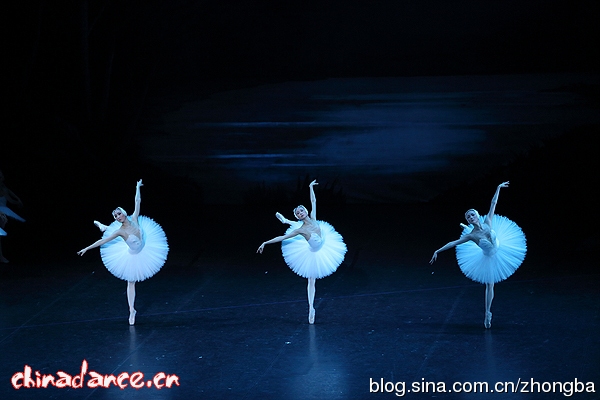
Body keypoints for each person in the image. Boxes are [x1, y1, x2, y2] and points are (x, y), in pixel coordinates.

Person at [429, 181, 526, 328]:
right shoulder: (471, 235)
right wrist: (437, 250)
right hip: (489, 257)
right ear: (468, 221)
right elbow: (453, 243)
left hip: (501, 249)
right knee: (490, 285)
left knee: (491, 284)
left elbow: (493, 203)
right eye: (468, 217)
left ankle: (487, 312)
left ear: (477, 215)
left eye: (472, 215)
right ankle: (487, 313)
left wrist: (498, 188)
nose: (470, 217)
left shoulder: (488, 221)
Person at [77, 179, 169, 325]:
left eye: (119, 214)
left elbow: (137, 201)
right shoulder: (120, 231)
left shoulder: (134, 218)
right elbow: (103, 241)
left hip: (145, 246)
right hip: (133, 254)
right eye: (115, 216)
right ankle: (132, 310)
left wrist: (137, 186)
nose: (118, 217)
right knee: (130, 282)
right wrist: (87, 248)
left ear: (124, 213)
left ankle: (104, 227)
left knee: (115, 234)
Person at [257, 180, 347, 324]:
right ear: (297, 216)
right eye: (298, 213)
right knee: (311, 281)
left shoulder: (313, 217)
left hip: (325, 244)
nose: (300, 213)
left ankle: (286, 221)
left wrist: (310, 187)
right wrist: (265, 242)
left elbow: (313, 201)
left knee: (300, 228)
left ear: (305, 211)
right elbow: (283, 237)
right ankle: (311, 308)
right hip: (313, 252)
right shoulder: (301, 229)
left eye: (301, 211)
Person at [0, 169, 25, 263]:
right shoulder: (2, 189)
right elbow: (10, 200)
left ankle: (1, 256)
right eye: (0, 176)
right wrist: (18, 202)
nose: (3, 177)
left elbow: (10, 192)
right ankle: (1, 256)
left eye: (2, 175)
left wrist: (18, 199)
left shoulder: (3, 187)